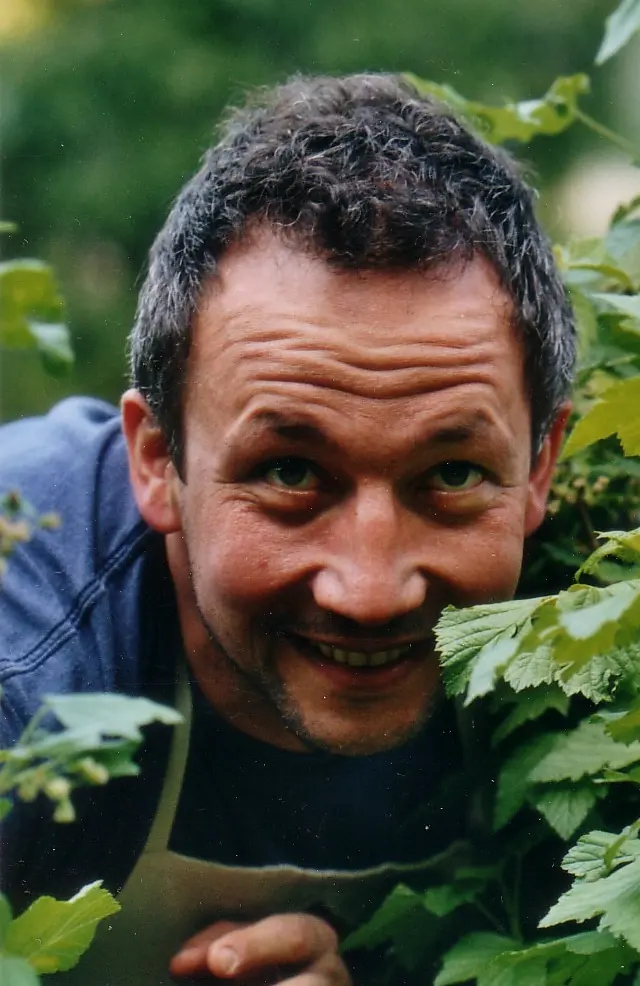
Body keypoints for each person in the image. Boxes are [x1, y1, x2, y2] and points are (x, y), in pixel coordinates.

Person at [0, 74, 575, 984]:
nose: (373, 589)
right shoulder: (23, 679)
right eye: (291, 473)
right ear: (158, 458)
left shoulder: (620, 663)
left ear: (541, 466)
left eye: (453, 476)